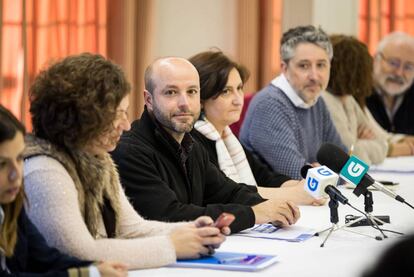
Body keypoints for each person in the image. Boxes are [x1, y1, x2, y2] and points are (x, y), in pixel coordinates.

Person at [23, 53, 226, 270]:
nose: (126, 125)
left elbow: (129, 228)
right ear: (83, 116)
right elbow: (78, 252)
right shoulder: (44, 170)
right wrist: (172, 246)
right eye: (116, 114)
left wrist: (192, 231)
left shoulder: (98, 159)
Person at [111, 57, 300, 234]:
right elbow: (170, 216)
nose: (184, 103)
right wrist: (254, 214)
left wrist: (270, 206)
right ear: (149, 100)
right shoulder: (131, 151)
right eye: (171, 92)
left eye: (191, 92)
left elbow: (227, 191)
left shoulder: (190, 143)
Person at [0, 105, 127, 276]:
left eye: (19, 158)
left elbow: (46, 258)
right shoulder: (44, 169)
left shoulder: (12, 204)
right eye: (2, 164)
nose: (16, 174)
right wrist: (88, 274)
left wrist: (96, 267)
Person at [188, 50, 324, 206]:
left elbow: (265, 177)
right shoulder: (194, 143)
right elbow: (230, 192)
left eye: (239, 88)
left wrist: (301, 186)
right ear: (201, 98)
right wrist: (295, 194)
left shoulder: (227, 136)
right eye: (226, 92)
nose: (238, 100)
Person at [239, 25, 346, 179]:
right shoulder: (269, 105)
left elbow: (348, 168)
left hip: (309, 200)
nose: (314, 76)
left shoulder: (317, 100)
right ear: (284, 68)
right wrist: (325, 174)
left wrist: (325, 173)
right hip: (274, 200)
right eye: (304, 66)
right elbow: (300, 175)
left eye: (321, 65)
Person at [321, 35, 388, 164]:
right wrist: (361, 144)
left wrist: (359, 144)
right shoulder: (325, 101)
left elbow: (382, 145)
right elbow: (354, 158)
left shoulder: (348, 99)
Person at [366, 32, 414, 135]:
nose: (399, 73)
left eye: (408, 67)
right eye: (393, 63)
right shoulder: (357, 90)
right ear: (376, 59)